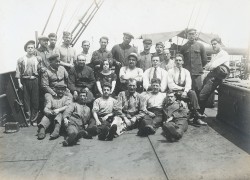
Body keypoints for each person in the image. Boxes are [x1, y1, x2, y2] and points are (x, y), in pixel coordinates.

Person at [168, 54, 207, 125]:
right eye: (176, 60)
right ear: (174, 61)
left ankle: (196, 113)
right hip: (175, 90)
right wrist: (182, 88)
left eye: (180, 60)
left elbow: (188, 83)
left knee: (192, 92)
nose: (178, 62)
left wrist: (185, 91)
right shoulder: (170, 71)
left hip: (184, 90)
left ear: (183, 62)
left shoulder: (186, 71)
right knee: (186, 95)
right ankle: (196, 115)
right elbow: (171, 85)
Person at [199, 37, 230, 115]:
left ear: (220, 44)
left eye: (215, 44)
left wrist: (211, 66)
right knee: (201, 94)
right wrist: (210, 66)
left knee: (202, 95)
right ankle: (198, 114)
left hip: (216, 78)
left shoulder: (224, 54)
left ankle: (198, 115)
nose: (213, 46)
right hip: (211, 76)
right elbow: (209, 65)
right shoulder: (216, 55)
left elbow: (212, 66)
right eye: (212, 44)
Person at [16, 40, 39, 124]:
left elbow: (40, 70)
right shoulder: (21, 59)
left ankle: (34, 120)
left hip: (35, 81)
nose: (30, 49)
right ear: (26, 49)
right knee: (26, 101)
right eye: (28, 48)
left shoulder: (38, 59)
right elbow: (18, 72)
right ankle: (28, 119)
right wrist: (19, 83)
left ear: (34, 49)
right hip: (25, 81)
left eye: (32, 47)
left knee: (35, 100)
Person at [180, 28, 207, 94]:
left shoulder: (201, 46)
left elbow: (204, 60)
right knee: (188, 89)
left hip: (197, 73)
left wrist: (198, 67)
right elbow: (181, 60)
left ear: (196, 35)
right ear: (187, 35)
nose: (191, 36)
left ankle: (198, 104)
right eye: (190, 34)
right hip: (187, 73)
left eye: (193, 34)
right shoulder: (183, 47)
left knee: (198, 89)